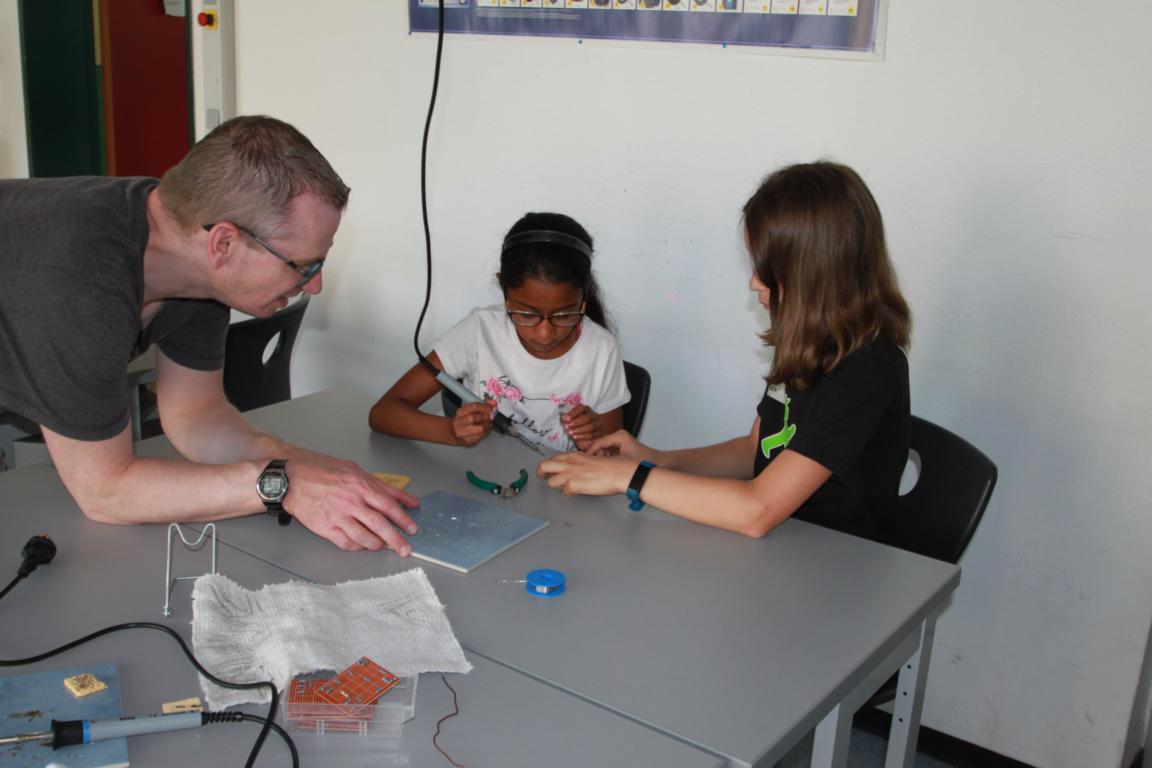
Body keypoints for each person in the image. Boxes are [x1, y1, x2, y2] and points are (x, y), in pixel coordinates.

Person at [0, 115, 419, 553]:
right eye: (304, 266)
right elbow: (105, 491)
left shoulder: (192, 262)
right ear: (224, 244)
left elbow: (196, 416)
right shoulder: (79, 279)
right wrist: (283, 484)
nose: (314, 285)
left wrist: (306, 466)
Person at [538, 161, 911, 542]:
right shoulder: (808, 344)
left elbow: (757, 510)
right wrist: (656, 460)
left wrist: (629, 477)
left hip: (839, 558)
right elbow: (753, 451)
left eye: (767, 269)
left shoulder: (866, 371)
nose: (754, 282)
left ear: (815, 272)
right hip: (784, 545)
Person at [370, 212, 630, 453]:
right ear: (503, 287)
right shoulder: (480, 331)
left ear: (584, 296)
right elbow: (383, 413)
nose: (544, 334)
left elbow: (616, 457)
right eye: (526, 314)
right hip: (480, 477)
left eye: (564, 315)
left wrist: (594, 441)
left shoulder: (601, 349)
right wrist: (451, 432)